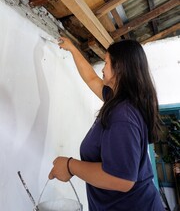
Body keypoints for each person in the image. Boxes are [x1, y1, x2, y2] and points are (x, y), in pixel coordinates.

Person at [49, 37, 164, 211]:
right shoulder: (119, 101)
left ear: (119, 68)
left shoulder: (123, 115)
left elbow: (122, 179)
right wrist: (73, 49)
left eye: (106, 62)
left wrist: (69, 166)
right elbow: (91, 79)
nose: (102, 68)